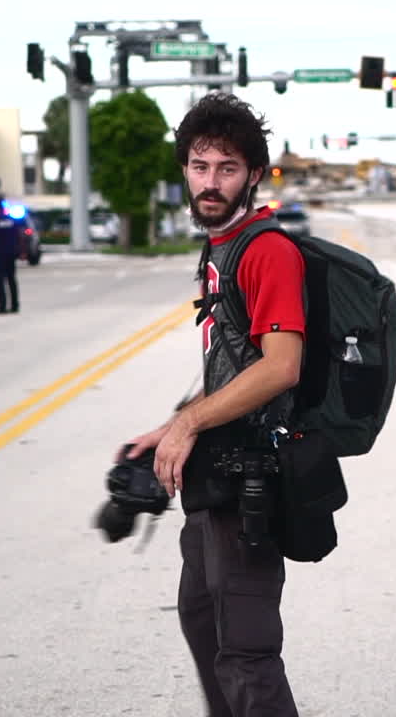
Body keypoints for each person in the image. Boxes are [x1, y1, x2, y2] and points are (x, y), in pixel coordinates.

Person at [123, 92, 304, 717]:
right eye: (200, 166)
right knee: (204, 626)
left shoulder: (266, 251)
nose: (210, 182)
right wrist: (171, 427)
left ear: (253, 174)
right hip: (212, 475)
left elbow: (282, 367)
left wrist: (193, 422)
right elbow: (235, 364)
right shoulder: (220, 249)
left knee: (247, 655)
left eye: (227, 168)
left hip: (248, 478)